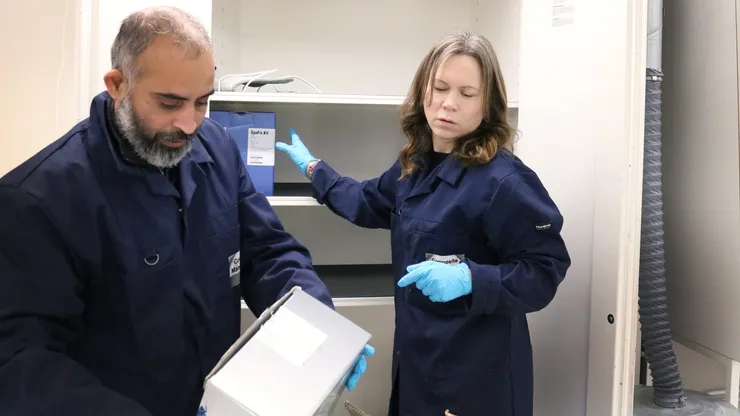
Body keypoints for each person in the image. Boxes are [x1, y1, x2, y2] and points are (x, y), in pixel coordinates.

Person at [0, 6, 372, 416]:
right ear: (118, 84)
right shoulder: (38, 199)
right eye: (170, 102)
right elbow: (20, 361)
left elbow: (268, 253)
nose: (190, 124)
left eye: (201, 102)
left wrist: (318, 326)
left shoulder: (217, 148)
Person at [276, 31, 571, 416]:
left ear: (488, 104)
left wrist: (470, 278)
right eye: (441, 87)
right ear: (423, 91)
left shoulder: (504, 182)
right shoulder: (414, 165)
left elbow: (544, 270)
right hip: (419, 367)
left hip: (477, 380)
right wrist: (316, 171)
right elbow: (368, 202)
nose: (449, 104)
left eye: (467, 94)